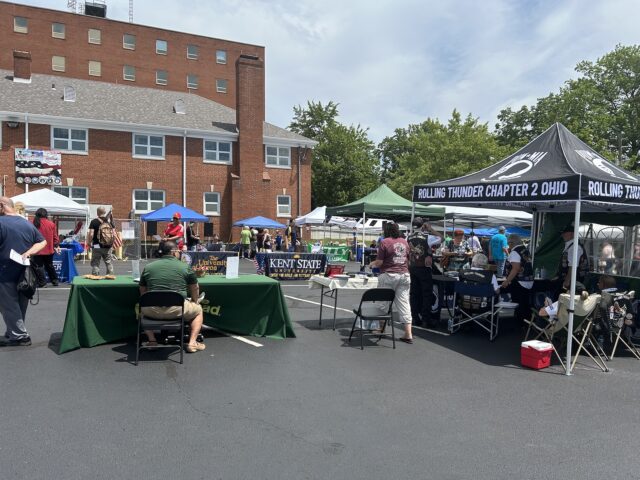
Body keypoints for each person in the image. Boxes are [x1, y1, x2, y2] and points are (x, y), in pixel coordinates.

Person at [139, 241, 206, 353]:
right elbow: (195, 288)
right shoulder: (185, 267)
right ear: (174, 252)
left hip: (151, 310)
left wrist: (147, 302)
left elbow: (142, 289)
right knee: (198, 310)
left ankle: (152, 340)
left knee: (141, 310)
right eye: (179, 251)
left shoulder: (148, 267)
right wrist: (195, 301)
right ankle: (192, 343)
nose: (179, 253)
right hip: (177, 309)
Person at [0, 196, 47, 347]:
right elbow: (42, 241)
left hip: (5, 272)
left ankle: (20, 336)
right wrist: (29, 252)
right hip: (25, 273)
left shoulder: (1, 222)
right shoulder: (26, 223)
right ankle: (13, 332)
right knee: (19, 305)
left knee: (9, 305)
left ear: (1, 206)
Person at [369, 222, 413, 343]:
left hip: (389, 275)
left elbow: (379, 262)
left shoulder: (385, 242)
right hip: (404, 275)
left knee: (383, 304)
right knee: (404, 304)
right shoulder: (404, 242)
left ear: (386, 231)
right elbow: (408, 260)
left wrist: (371, 264)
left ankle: (381, 329)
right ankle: (408, 333)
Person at [406, 217, 441, 327]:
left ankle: (415, 317)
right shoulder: (427, 237)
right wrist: (430, 229)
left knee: (414, 294)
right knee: (426, 294)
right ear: (423, 226)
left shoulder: (408, 237)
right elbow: (442, 238)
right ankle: (426, 319)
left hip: (412, 267)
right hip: (424, 268)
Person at [500, 234, 533, 327]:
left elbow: (515, 268)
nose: (508, 245)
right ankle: (526, 323)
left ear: (511, 243)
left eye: (508, 243)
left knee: (519, 303)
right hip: (528, 280)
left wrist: (507, 281)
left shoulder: (515, 252)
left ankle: (520, 324)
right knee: (525, 303)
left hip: (519, 281)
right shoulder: (524, 250)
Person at [550, 223, 589, 299]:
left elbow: (573, 266)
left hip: (574, 281)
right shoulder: (570, 246)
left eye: (565, 233)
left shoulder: (575, 247)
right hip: (569, 280)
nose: (562, 235)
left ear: (572, 234)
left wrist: (567, 281)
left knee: (562, 299)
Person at [32, 208, 61, 287]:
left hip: (37, 249)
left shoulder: (33, 223)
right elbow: (55, 237)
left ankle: (42, 282)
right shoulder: (51, 224)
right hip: (49, 249)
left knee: (39, 266)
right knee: (50, 265)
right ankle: (55, 280)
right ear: (46, 215)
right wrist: (56, 245)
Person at [86, 206, 115, 276]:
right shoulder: (109, 222)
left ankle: (95, 276)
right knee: (108, 261)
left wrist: (89, 243)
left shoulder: (94, 222)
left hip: (97, 245)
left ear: (97, 213)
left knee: (96, 262)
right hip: (107, 245)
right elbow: (114, 234)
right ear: (104, 212)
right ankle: (110, 275)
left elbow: (91, 234)